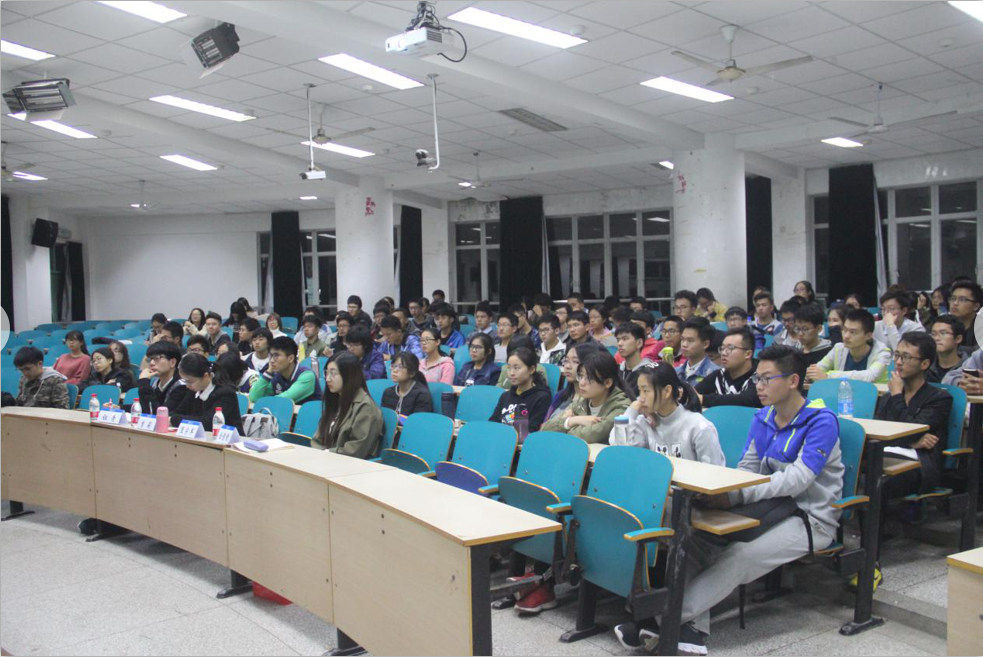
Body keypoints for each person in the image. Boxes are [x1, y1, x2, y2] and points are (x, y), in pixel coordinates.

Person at [619, 346, 843, 654]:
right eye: (757, 379)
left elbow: (797, 480)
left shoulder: (821, 421)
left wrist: (738, 494)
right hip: (766, 508)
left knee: (741, 555)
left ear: (793, 381)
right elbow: (747, 469)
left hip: (808, 517)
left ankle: (663, 620)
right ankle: (687, 627)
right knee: (695, 540)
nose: (758, 386)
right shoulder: (763, 417)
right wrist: (726, 494)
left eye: (766, 379)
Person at [871, 333, 953, 579]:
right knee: (857, 477)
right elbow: (877, 431)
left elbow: (911, 429)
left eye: (906, 357)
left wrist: (898, 398)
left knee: (877, 485)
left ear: (925, 363)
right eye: (897, 355)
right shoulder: (889, 396)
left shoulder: (939, 398)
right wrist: (911, 439)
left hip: (921, 466)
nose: (898, 362)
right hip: (888, 456)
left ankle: (871, 558)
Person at [611, 362, 724, 464]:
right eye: (639, 391)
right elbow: (619, 447)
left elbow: (714, 473)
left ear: (667, 391)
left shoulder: (699, 427)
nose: (641, 398)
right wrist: (632, 411)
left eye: (646, 391)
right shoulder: (646, 422)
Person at [542, 350, 631, 444]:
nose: (581, 383)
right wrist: (572, 421)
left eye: (589, 378)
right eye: (581, 376)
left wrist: (565, 427)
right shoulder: (581, 402)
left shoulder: (621, 408)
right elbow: (545, 429)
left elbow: (590, 435)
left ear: (607, 383)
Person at [315, 351, 383, 457]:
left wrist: (325, 454)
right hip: (326, 459)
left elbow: (356, 450)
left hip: (348, 464)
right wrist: (317, 454)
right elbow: (317, 440)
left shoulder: (365, 408)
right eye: (326, 372)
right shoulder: (335, 400)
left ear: (349, 375)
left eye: (333, 373)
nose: (327, 379)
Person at [809, 308, 891, 384]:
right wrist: (811, 374)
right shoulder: (839, 348)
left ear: (868, 336)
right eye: (845, 330)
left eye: (853, 332)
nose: (846, 336)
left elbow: (870, 376)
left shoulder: (882, 353)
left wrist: (828, 376)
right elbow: (819, 368)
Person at [170, 353, 244, 433]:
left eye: (190, 381)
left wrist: (174, 419)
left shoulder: (226, 393)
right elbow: (178, 411)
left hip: (228, 438)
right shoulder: (194, 389)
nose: (187, 386)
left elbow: (208, 423)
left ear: (205, 376)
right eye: (185, 381)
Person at [489, 346, 553, 433]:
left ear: (531, 369)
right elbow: (492, 423)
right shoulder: (505, 396)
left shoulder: (542, 397)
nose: (511, 373)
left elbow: (532, 430)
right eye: (509, 368)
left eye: (516, 368)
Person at [694, 328, 760, 408]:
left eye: (730, 348)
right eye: (722, 348)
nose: (723, 353)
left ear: (748, 354)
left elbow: (748, 399)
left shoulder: (761, 375)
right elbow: (694, 393)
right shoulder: (719, 375)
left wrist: (704, 399)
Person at [248, 336, 322, 406]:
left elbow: (282, 401)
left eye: (276, 355)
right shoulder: (277, 376)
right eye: (271, 355)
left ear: (291, 358)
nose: (272, 360)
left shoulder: (307, 376)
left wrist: (263, 401)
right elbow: (253, 398)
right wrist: (269, 372)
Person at [544, 342, 604, 420]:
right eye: (566, 361)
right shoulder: (560, 396)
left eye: (576, 362)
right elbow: (545, 424)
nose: (567, 366)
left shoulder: (594, 402)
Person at [136, 341, 190, 415]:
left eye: (157, 358)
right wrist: (121, 408)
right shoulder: (157, 382)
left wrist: (144, 384)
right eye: (149, 359)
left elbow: (160, 415)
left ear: (172, 362)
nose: (151, 363)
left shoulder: (183, 386)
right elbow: (144, 407)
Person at [381, 351, 433, 418]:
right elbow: (385, 418)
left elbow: (419, 421)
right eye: (393, 366)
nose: (394, 370)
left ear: (412, 373)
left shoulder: (422, 395)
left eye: (400, 367)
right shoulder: (388, 393)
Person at [677, 319, 722, 386]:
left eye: (690, 340)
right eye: (682, 339)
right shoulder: (676, 372)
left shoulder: (715, 373)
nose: (684, 344)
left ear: (705, 344)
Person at [615, 323, 655, 397]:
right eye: (618, 340)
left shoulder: (650, 371)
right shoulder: (615, 370)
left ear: (639, 343)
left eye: (625, 339)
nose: (619, 343)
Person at [926, 315, 967, 383]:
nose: (936, 338)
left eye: (943, 333)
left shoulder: (970, 366)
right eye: (933, 334)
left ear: (958, 339)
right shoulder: (925, 366)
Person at [948, 282, 982, 354]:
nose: (955, 303)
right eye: (953, 298)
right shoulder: (944, 324)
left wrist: (949, 347)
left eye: (962, 299)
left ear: (976, 306)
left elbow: (978, 352)